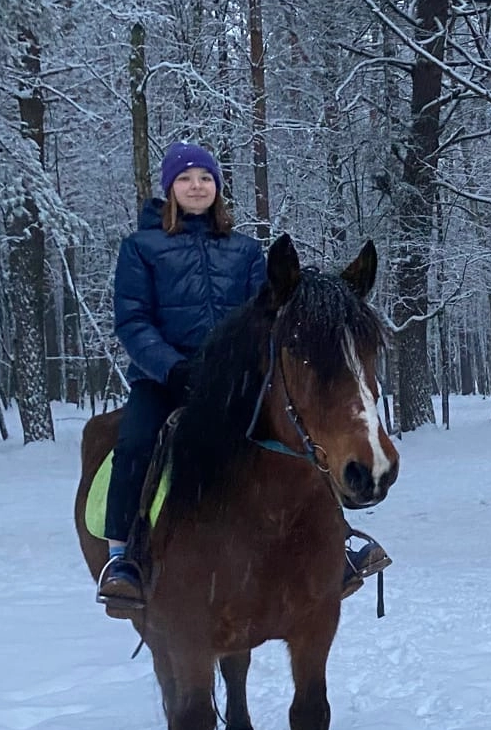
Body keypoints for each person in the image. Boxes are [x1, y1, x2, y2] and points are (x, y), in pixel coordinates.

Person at [97, 142, 387, 613]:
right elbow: (133, 322)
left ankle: (340, 542)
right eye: (186, 178)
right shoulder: (141, 249)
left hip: (235, 380)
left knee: (298, 435)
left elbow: (265, 317)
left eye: (205, 178)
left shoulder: (245, 250)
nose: (197, 186)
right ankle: (123, 559)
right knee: (136, 441)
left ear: (217, 188)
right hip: (164, 377)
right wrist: (172, 366)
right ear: (170, 188)